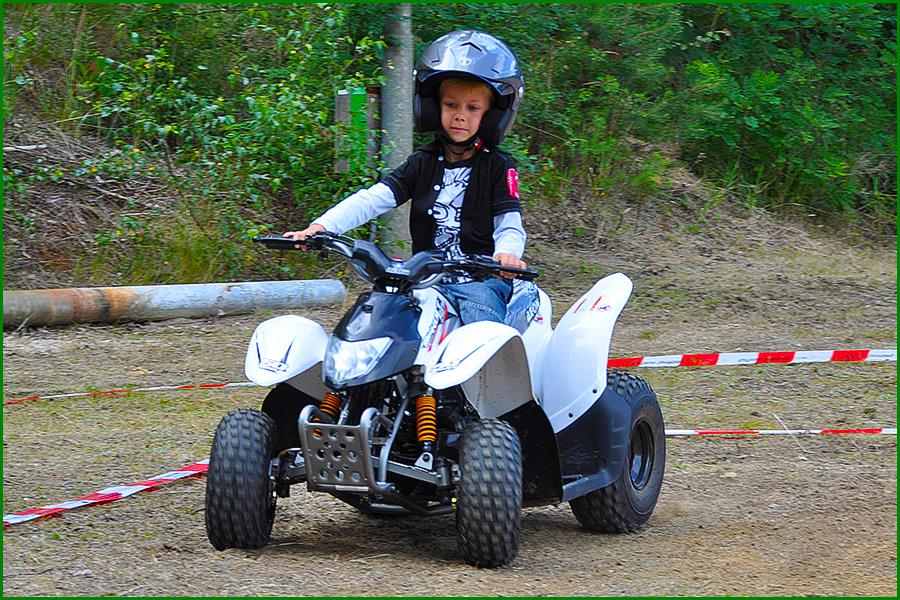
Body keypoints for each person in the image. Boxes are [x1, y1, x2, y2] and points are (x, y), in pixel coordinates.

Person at [285, 30, 528, 325]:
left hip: (480, 281)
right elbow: (372, 199)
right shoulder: (422, 162)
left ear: (492, 115)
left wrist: (507, 254)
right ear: (432, 107)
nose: (460, 115)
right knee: (382, 315)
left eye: (473, 108)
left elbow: (509, 224)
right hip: (426, 278)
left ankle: (491, 352)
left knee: (481, 324)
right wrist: (321, 227)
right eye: (451, 105)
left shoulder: (498, 166)